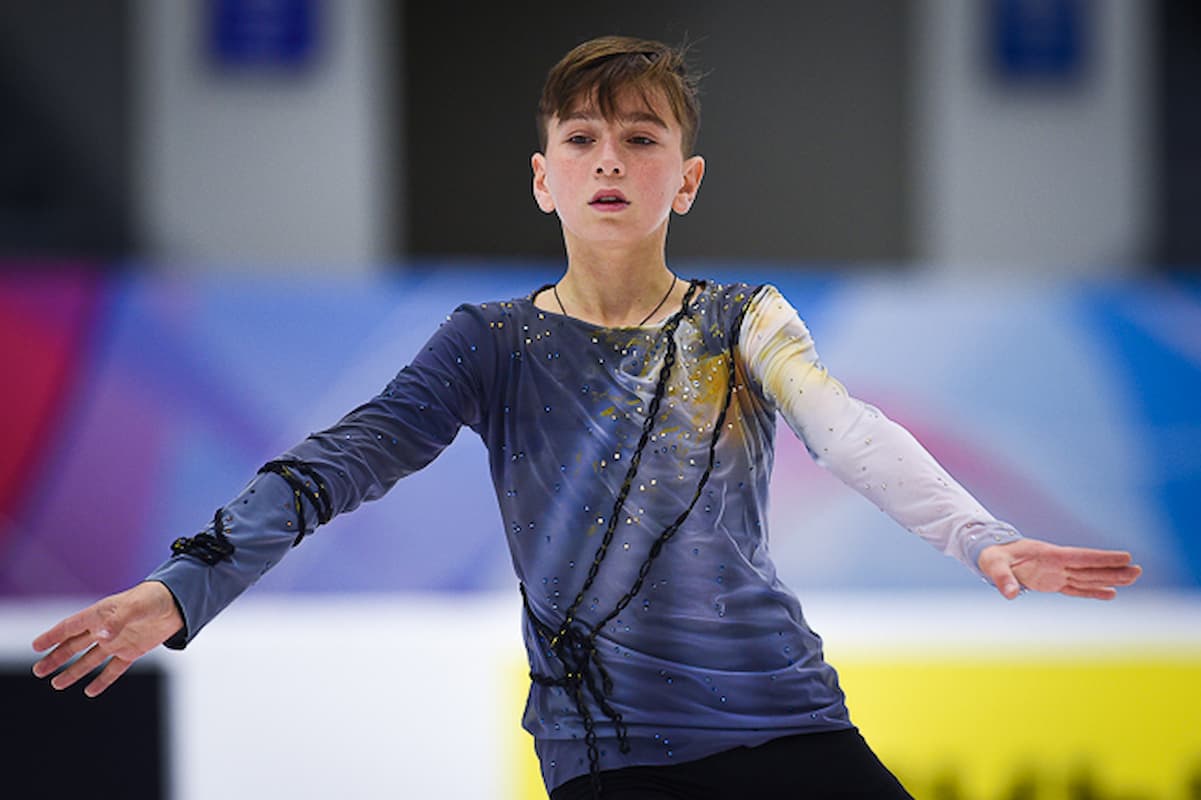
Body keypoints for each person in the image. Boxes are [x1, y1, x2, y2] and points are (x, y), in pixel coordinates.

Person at [32, 36, 1141, 799]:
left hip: (790, 722)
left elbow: (844, 427)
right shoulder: (489, 342)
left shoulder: (741, 321)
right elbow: (337, 464)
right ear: (542, 176)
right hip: (611, 758)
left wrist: (977, 532)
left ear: (688, 179)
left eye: (642, 137)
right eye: (582, 138)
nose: (610, 156)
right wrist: (187, 583)